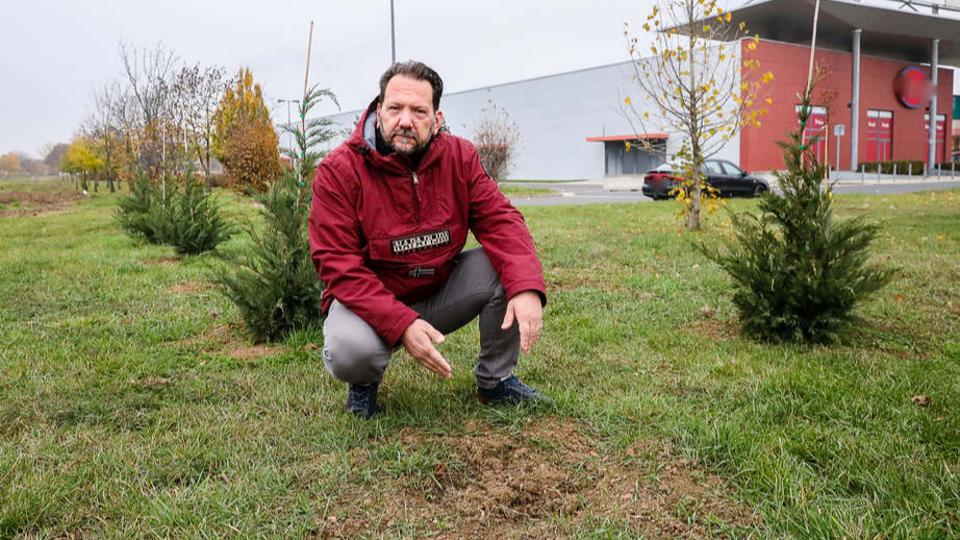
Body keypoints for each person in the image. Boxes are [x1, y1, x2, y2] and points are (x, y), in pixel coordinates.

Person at [308, 61, 547, 419]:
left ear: (436, 119)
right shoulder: (339, 171)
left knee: (506, 270)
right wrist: (400, 323)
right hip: (372, 302)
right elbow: (336, 264)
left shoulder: (460, 157)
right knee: (349, 349)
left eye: (418, 111)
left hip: (438, 290)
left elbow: (502, 222)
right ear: (378, 110)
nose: (405, 120)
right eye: (395, 109)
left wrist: (526, 287)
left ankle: (495, 381)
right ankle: (364, 382)